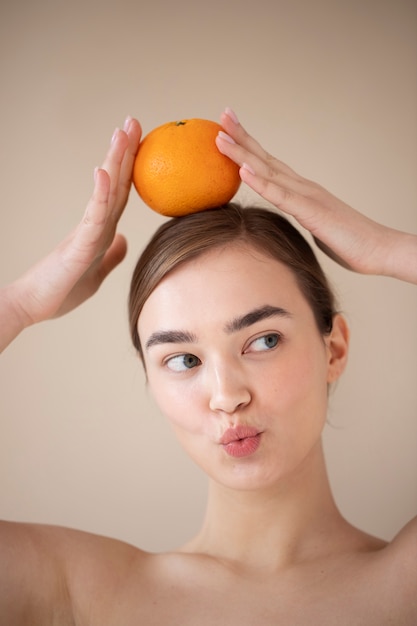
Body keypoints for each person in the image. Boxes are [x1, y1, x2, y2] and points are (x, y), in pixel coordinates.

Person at [0, 109, 416, 624]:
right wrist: (17, 305)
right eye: (183, 359)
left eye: (263, 340)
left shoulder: (405, 586)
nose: (226, 395)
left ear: (334, 350)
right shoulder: (77, 592)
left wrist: (389, 249)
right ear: (150, 380)